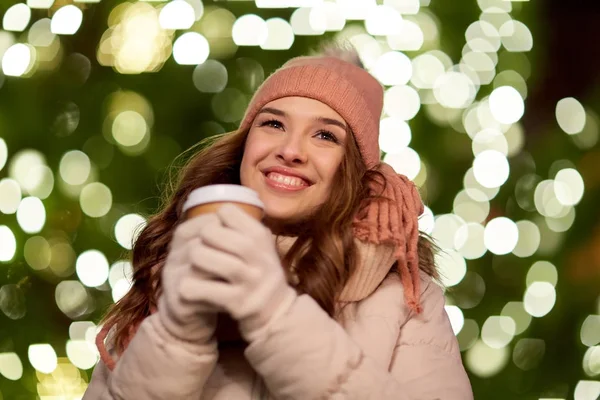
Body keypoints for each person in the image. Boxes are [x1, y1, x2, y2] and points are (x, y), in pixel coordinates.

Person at [83, 44, 473, 399]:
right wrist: (177, 331)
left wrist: (275, 314)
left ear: (356, 172)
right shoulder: (165, 271)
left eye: (324, 135)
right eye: (273, 124)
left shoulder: (405, 298)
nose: (289, 151)